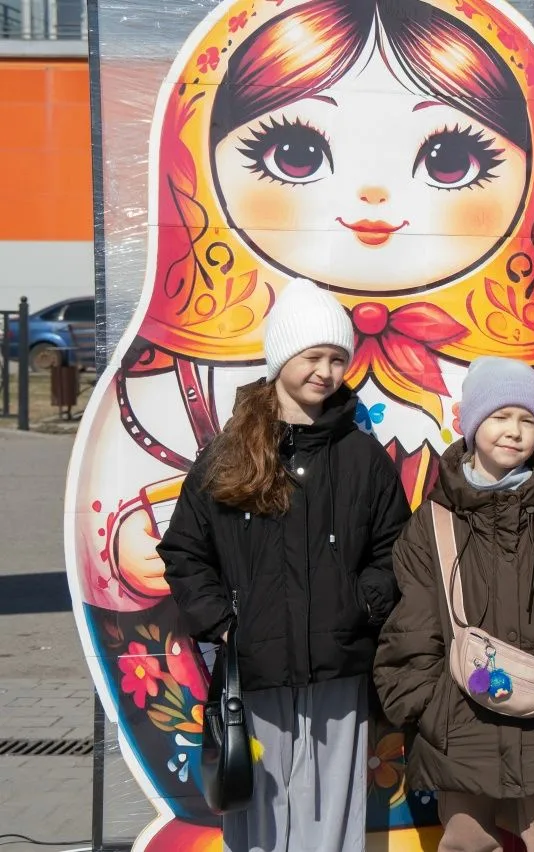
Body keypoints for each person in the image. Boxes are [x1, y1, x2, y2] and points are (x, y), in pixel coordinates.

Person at [159, 278, 412, 852]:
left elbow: (396, 548)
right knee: (261, 812)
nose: (326, 371)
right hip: (256, 669)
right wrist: (223, 622)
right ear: (280, 358)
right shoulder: (231, 454)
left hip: (338, 668)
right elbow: (185, 549)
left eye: (338, 359)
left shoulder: (361, 457)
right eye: (313, 356)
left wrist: (360, 605)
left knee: (332, 811)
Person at [374, 357, 534, 852]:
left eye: (527, 419)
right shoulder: (432, 524)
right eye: (500, 415)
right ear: (471, 422)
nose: (514, 430)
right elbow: (412, 628)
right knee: (467, 842)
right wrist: (431, 710)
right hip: (460, 730)